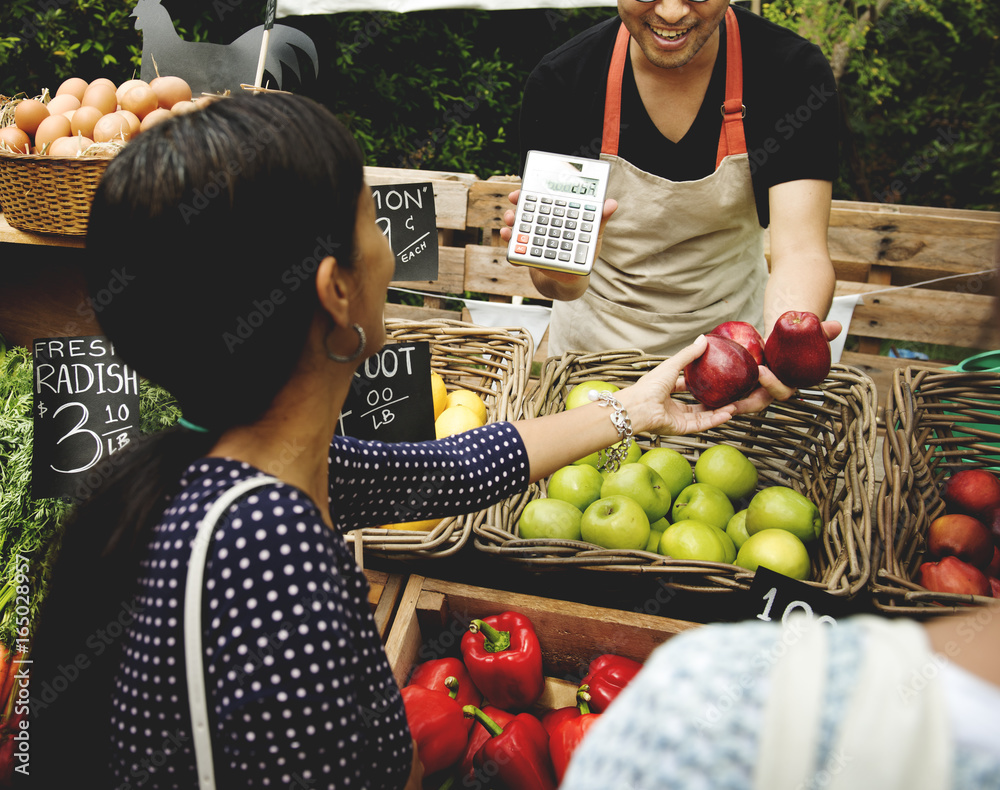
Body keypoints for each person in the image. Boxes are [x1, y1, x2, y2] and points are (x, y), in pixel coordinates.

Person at [26, 92, 757, 789]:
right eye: (371, 222)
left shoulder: (224, 463)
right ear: (334, 291)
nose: (388, 252)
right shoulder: (271, 552)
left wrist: (632, 409)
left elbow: (452, 469)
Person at [558, 243, 1000, 790]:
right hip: (607, 356)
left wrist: (787, 343)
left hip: (725, 372)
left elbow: (801, 247)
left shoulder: (696, 702)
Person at [507, 0, 839, 358]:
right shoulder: (562, 80)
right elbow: (549, 279)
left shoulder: (791, 72)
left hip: (738, 354)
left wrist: (784, 346)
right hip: (593, 360)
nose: (670, 13)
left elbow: (801, 253)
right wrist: (565, 274)